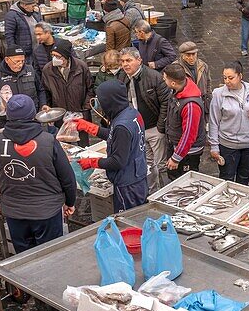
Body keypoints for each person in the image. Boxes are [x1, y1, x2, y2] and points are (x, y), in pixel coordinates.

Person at [0, 94, 77, 252]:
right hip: (46, 212)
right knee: (51, 255)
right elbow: (68, 179)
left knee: (23, 259)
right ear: (33, 115)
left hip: (15, 214)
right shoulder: (49, 141)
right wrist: (70, 202)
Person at [74, 81, 149, 212]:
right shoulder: (131, 113)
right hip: (138, 174)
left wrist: (92, 162)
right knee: (139, 213)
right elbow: (116, 137)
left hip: (128, 183)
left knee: (128, 220)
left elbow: (117, 161)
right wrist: (89, 127)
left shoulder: (121, 126)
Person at [208, 61, 249, 185]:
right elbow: (213, 122)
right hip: (228, 146)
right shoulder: (219, 94)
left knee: (244, 178)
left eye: (231, 78)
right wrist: (214, 146)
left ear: (240, 76)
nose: (227, 81)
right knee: (227, 179)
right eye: (225, 78)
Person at [117, 47, 170, 190]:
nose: (125, 64)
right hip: (137, 129)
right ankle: (152, 191)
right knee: (147, 163)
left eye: (129, 60)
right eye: (122, 61)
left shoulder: (154, 76)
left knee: (161, 165)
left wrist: (160, 126)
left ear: (139, 60)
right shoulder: (122, 77)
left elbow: (166, 101)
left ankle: (166, 192)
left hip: (154, 128)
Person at [161, 62, 207, 179]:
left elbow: (189, 135)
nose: (163, 79)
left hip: (188, 153)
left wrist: (176, 158)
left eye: (165, 78)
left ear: (173, 83)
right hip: (177, 147)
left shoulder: (190, 105)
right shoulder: (178, 91)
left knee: (184, 181)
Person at [41, 38, 92, 114]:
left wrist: (86, 107)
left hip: (80, 113)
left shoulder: (81, 67)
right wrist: (47, 106)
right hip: (59, 114)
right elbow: (45, 91)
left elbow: (90, 88)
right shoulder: (48, 70)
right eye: (53, 55)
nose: (54, 59)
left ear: (66, 56)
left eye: (58, 56)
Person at [176, 41, 210, 107]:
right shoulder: (176, 68)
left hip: (202, 102)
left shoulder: (203, 65)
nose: (191, 58)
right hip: (185, 104)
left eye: (193, 54)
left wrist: (209, 98)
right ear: (182, 55)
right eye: (188, 55)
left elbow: (208, 83)